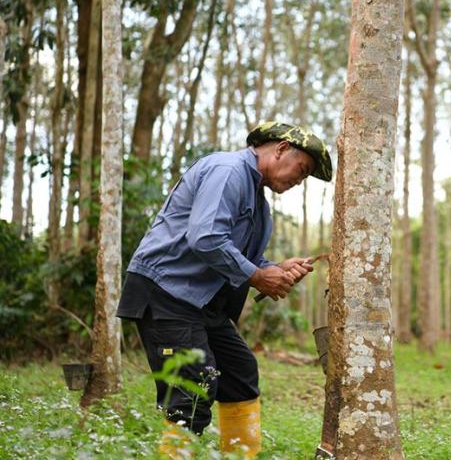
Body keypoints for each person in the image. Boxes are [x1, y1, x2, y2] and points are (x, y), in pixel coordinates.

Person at [117, 121, 332, 458]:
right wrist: (258, 277)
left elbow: (243, 256)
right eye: (301, 170)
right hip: (167, 293)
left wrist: (274, 268)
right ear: (279, 150)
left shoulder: (258, 200)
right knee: (191, 389)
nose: (298, 181)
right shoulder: (228, 171)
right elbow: (205, 238)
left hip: (201, 302)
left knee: (240, 374)